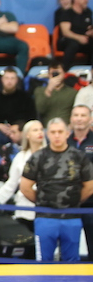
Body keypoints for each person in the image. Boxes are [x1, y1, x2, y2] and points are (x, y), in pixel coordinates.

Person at [21, 118, 93, 262]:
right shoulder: (38, 157)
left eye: (60, 131)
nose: (57, 135)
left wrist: (73, 201)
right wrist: (43, 201)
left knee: (71, 262)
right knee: (43, 261)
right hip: (45, 217)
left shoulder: (79, 156)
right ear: (48, 134)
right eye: (53, 132)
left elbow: (90, 186)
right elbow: (25, 187)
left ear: (67, 133)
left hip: (71, 217)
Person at [0, 120, 45, 230]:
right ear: (27, 134)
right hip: (24, 210)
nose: (40, 132)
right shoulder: (20, 157)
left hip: (46, 210)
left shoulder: (51, 155)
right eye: (35, 130)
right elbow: (10, 185)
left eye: (41, 129)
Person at [66, 105, 93, 258]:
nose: (79, 119)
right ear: (71, 119)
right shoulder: (64, 141)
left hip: (91, 204)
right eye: (76, 115)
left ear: (90, 119)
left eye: (83, 115)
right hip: (68, 203)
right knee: (68, 250)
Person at [0, 67, 36, 144]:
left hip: (21, 130)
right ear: (2, 80)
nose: (9, 81)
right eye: (7, 78)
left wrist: (18, 127)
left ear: (17, 80)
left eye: (12, 78)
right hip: (1, 132)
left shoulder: (26, 98)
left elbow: (32, 117)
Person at [33, 60, 77, 126]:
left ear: (64, 74)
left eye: (58, 73)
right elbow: (40, 110)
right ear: (48, 75)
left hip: (66, 127)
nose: (56, 76)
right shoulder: (39, 91)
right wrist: (48, 90)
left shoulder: (73, 92)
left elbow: (76, 112)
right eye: (53, 74)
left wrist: (71, 126)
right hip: (47, 127)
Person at [58, 0, 93, 70]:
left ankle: (90, 69)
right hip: (68, 40)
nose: (87, 0)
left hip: (85, 40)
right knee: (73, 44)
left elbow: (88, 27)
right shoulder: (67, 13)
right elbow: (65, 32)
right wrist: (79, 38)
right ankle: (65, 69)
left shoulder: (87, 12)